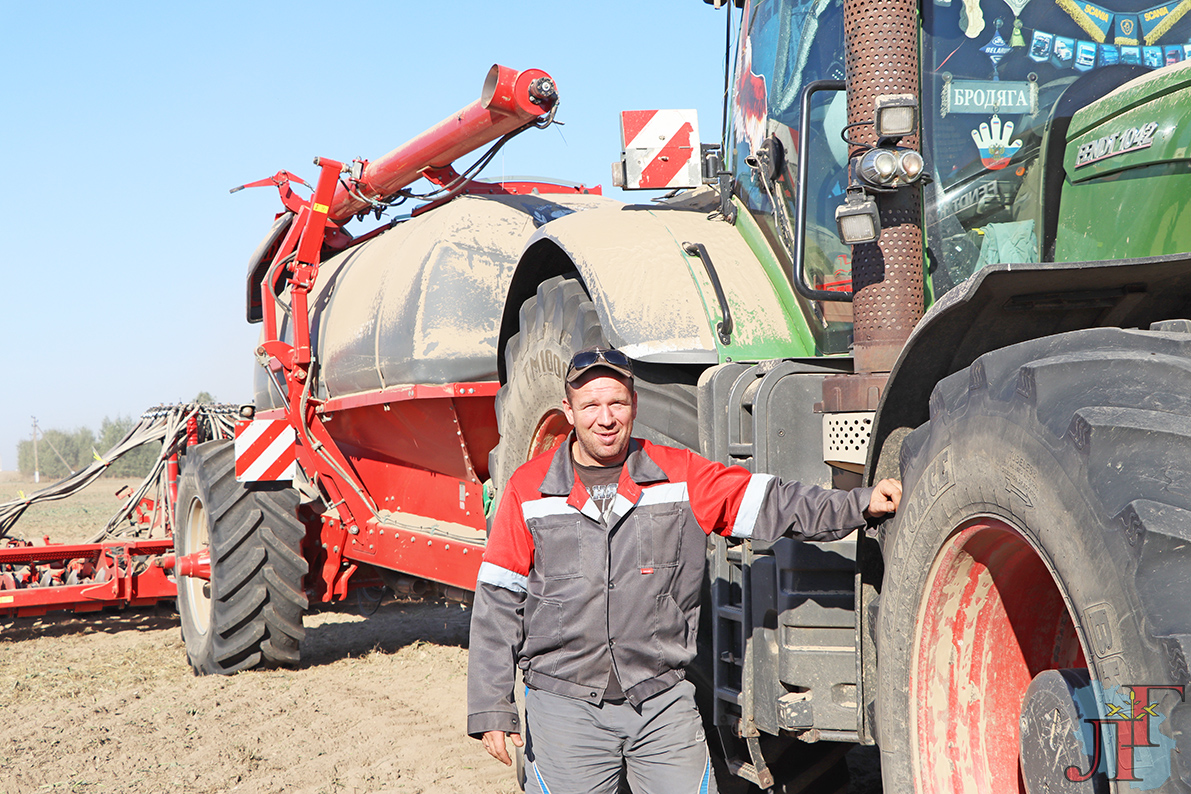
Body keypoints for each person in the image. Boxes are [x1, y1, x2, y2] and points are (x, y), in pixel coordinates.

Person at [468, 346, 902, 793]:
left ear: (634, 404)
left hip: (661, 705)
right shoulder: (529, 489)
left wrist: (858, 503)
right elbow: (500, 600)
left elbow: (771, 502)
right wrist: (491, 706)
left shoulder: (679, 477)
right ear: (569, 410)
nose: (606, 418)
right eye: (591, 405)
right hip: (565, 706)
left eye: (617, 402)